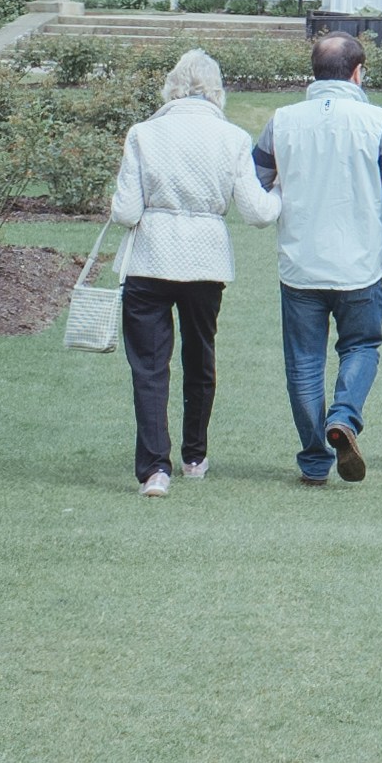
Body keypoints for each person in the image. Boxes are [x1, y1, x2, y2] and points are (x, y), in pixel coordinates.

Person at [250, 16, 382, 485]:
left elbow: (255, 184)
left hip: (300, 265)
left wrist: (282, 191)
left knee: (304, 362)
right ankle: (343, 416)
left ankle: (313, 459)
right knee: (361, 345)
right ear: (358, 72)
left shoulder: (282, 120)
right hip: (359, 264)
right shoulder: (377, 121)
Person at [108, 49, 265, 495]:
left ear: (172, 86)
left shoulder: (143, 134)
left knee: (149, 367)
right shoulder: (232, 137)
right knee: (200, 356)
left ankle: (154, 468)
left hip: (150, 260)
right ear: (216, 90)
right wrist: (282, 196)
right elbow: (256, 212)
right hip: (205, 261)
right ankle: (194, 455)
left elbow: (125, 212)